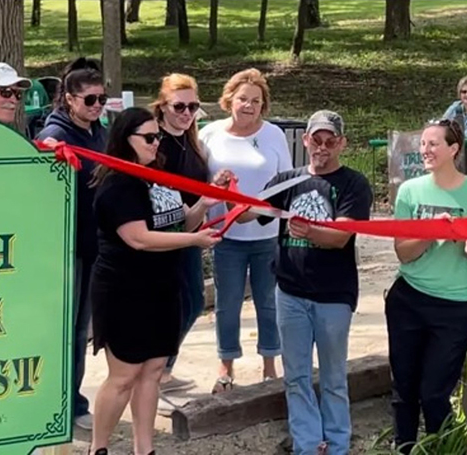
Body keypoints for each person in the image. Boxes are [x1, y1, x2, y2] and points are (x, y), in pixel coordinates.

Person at [88, 107, 225, 455]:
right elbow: (139, 238)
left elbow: (180, 225)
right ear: (125, 140)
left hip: (162, 286)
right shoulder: (117, 184)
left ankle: (144, 449)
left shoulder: (160, 176)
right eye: (148, 137)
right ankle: (98, 448)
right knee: (123, 376)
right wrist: (194, 242)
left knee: (153, 370)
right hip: (125, 289)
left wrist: (204, 205)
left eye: (157, 136)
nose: (155, 143)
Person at [236, 110, 373, 455]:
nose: (322, 147)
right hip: (290, 292)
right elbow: (250, 210)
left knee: (333, 377)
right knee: (295, 376)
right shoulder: (288, 180)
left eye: (330, 141)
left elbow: (341, 236)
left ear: (341, 143)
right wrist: (229, 192)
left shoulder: (354, 183)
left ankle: (338, 444)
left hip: (333, 296)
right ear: (306, 140)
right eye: (316, 139)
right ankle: (308, 445)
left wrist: (310, 230)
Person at [200, 68, 291, 393]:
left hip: (267, 236)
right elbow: (199, 184)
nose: (248, 106)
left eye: (256, 100)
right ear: (229, 100)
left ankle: (270, 365)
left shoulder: (274, 135)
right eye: (242, 99)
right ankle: (226, 366)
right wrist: (216, 187)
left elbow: (285, 185)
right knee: (228, 302)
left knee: (269, 302)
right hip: (226, 238)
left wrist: (259, 215)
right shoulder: (209, 134)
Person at [385, 118, 467, 454]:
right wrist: (429, 232)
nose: (425, 150)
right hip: (409, 299)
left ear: (453, 149)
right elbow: (403, 253)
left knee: (434, 392)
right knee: (403, 388)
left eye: (434, 143)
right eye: (423, 143)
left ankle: (441, 447)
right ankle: (402, 447)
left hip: (455, 306)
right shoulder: (410, 190)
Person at [35, 57, 108, 431]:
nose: (96, 106)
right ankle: (61, 402)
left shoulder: (99, 133)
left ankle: (72, 398)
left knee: (82, 329)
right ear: (69, 99)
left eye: (102, 99)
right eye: (89, 100)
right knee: (67, 330)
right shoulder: (57, 134)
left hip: (94, 243)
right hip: (67, 248)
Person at [149, 73, 208, 396]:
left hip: (191, 233)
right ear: (162, 107)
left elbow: (198, 184)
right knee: (174, 304)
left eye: (193, 107)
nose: (186, 113)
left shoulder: (192, 140)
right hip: (164, 234)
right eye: (179, 106)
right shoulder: (153, 141)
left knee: (193, 301)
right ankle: (155, 370)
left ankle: (163, 368)